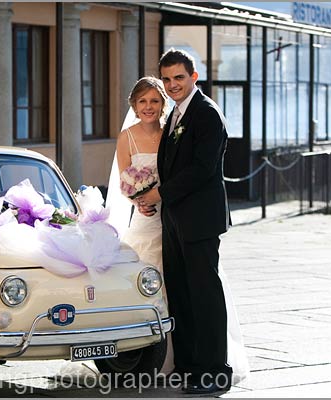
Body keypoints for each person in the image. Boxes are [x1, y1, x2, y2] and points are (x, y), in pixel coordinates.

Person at [135, 48, 243, 395]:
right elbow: (171, 164)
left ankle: (214, 372)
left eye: (178, 78)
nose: (172, 85)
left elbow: (202, 169)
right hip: (175, 220)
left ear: (193, 77)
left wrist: (160, 193)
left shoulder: (207, 114)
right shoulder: (174, 115)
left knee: (204, 296)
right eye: (167, 79)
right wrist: (149, 195)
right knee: (180, 294)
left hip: (200, 221)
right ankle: (189, 366)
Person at [106, 76, 175, 374]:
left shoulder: (171, 134)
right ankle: (141, 355)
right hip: (145, 220)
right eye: (143, 101)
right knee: (142, 279)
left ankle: (176, 353)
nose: (149, 107)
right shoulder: (127, 137)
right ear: (134, 105)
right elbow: (125, 179)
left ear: (163, 105)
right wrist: (138, 200)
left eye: (155, 101)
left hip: (171, 215)